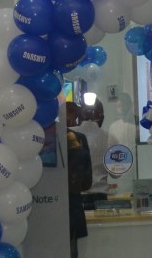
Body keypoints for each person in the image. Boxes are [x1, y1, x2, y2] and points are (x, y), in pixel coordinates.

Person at [65, 102, 92, 258]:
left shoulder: (44, 137)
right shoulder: (79, 139)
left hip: (55, 205)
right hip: (73, 204)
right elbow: (86, 181)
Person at [75, 99, 111, 206]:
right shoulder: (109, 137)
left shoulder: (69, 134)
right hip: (100, 195)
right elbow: (116, 173)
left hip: (75, 196)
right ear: (101, 116)